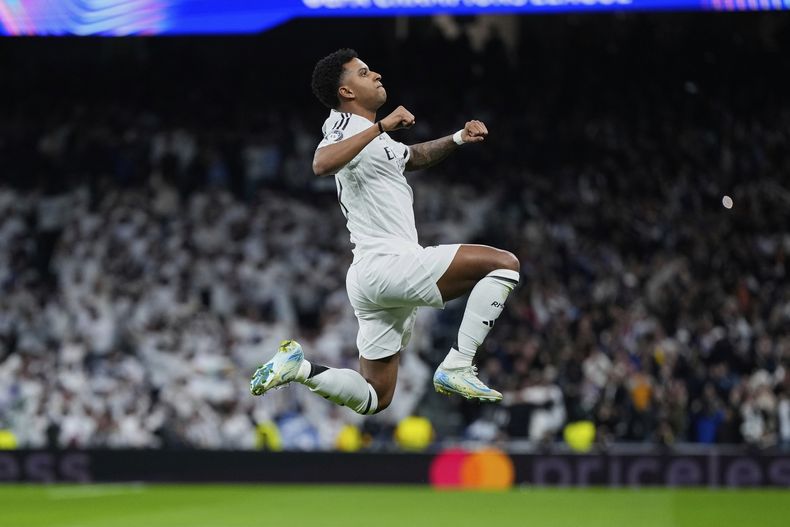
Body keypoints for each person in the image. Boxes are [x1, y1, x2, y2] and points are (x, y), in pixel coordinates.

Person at [250, 48, 520, 415]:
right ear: (346, 92)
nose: (376, 74)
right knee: (503, 264)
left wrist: (457, 138)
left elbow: (411, 157)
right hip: (388, 264)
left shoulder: (370, 137)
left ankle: (301, 369)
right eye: (363, 73)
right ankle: (458, 363)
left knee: (376, 396)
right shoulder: (347, 126)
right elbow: (321, 163)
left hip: (371, 276)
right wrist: (382, 126)